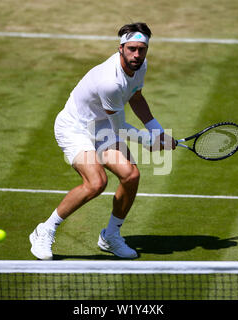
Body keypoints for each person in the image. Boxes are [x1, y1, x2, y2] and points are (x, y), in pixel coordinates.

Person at [29, 22, 175, 260]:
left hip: (102, 126)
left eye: (141, 49)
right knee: (96, 182)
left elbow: (136, 96)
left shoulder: (140, 65)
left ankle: (110, 236)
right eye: (131, 49)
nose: (137, 55)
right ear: (121, 48)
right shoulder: (110, 82)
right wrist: (148, 141)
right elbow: (117, 130)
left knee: (131, 176)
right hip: (75, 128)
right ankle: (45, 229)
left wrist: (156, 131)